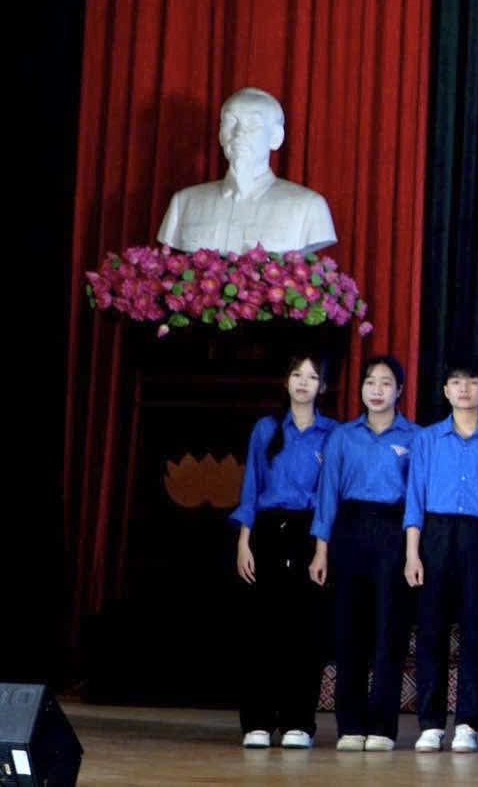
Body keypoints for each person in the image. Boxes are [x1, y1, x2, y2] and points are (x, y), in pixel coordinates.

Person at [402, 358, 478, 754]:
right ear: (445, 390)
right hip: (435, 535)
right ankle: (431, 723)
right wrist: (412, 553)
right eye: (456, 382)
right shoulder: (428, 439)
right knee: (431, 632)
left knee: (475, 632)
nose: (464, 389)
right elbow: (414, 498)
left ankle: (467, 722)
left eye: (472, 382)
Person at [308, 354, 416, 752]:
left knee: (389, 631)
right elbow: (327, 496)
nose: (377, 390)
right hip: (349, 530)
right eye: (370, 382)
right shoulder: (342, 436)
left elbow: (417, 498)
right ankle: (350, 725)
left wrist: (412, 551)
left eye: (386, 383)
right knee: (348, 630)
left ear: (399, 390)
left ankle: (383, 728)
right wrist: (321, 550)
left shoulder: (415, 437)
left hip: (393, 531)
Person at [230, 353, 337, 749]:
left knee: (303, 632)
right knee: (262, 630)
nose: (303, 383)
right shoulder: (267, 428)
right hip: (266, 530)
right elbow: (251, 485)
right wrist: (244, 540)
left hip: (308, 532)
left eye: (312, 376)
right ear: (286, 381)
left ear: (323, 386)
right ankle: (257, 721)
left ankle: (298, 722)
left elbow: (328, 496)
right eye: (296, 374)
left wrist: (321, 548)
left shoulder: (332, 433)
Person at [157, 86, 337, 255]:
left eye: (253, 124)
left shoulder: (308, 206)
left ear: (276, 137)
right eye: (231, 122)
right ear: (220, 134)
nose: (239, 132)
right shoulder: (185, 203)